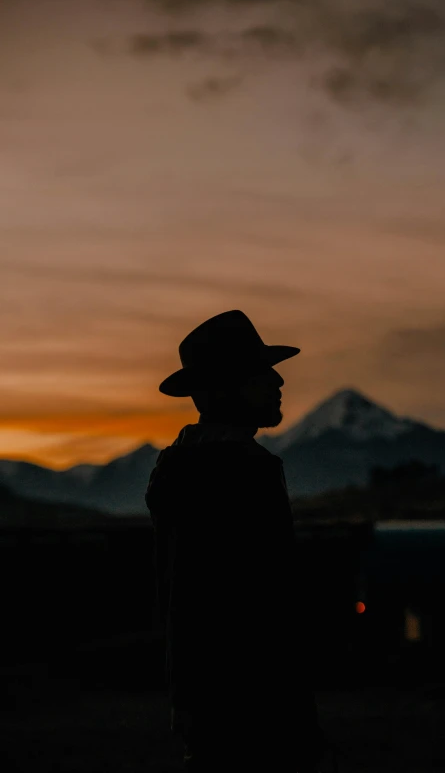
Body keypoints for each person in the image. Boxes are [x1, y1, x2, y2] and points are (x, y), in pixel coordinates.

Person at [145, 310, 328, 772]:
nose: (277, 381)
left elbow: (180, 594)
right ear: (228, 386)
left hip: (200, 696)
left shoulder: (174, 469)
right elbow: (270, 602)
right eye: (262, 373)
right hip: (258, 702)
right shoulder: (248, 471)